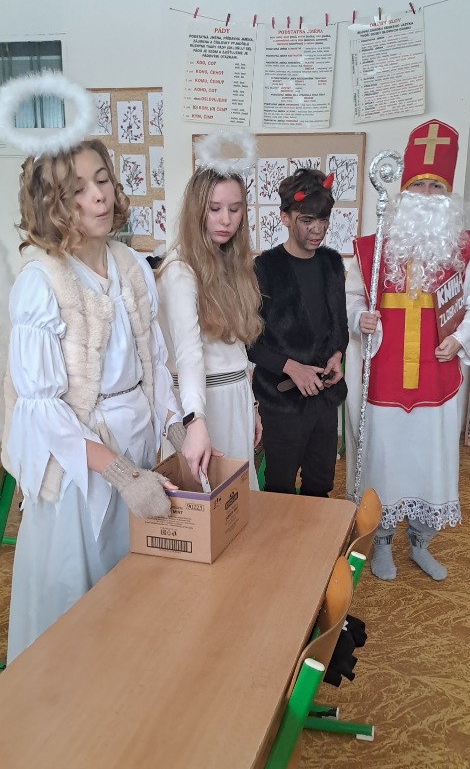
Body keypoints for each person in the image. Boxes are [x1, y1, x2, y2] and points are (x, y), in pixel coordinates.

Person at [2, 138, 185, 662]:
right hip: (80, 472)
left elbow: (154, 364)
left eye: (102, 180)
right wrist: (121, 474)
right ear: (52, 204)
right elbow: (44, 411)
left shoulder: (130, 265)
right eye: (78, 190)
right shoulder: (41, 282)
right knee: (77, 607)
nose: (99, 197)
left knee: (131, 596)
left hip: (137, 448)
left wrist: (178, 428)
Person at [345, 119, 470, 580]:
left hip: (436, 380)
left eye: (436, 186)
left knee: (430, 466)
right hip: (385, 380)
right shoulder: (371, 250)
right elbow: (350, 298)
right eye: (418, 185)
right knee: (385, 465)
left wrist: (461, 338)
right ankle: (382, 544)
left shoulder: (464, 250)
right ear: (403, 191)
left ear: (448, 196)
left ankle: (420, 543)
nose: (427, 195)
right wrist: (358, 317)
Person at [157, 137, 263, 489]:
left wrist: (252, 405)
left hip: (234, 396)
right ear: (197, 209)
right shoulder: (179, 270)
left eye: (235, 209)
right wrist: (194, 420)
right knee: (208, 499)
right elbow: (187, 353)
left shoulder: (232, 263)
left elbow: (236, 347)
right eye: (215, 208)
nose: (226, 219)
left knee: (238, 499)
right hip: (204, 402)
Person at [248, 168, 348, 497]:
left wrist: (337, 356)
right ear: (285, 217)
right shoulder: (265, 269)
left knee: (320, 484)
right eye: (307, 220)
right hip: (281, 400)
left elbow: (340, 327)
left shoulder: (332, 265)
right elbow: (250, 343)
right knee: (279, 487)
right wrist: (292, 367)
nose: (317, 229)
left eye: (323, 220)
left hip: (324, 398)